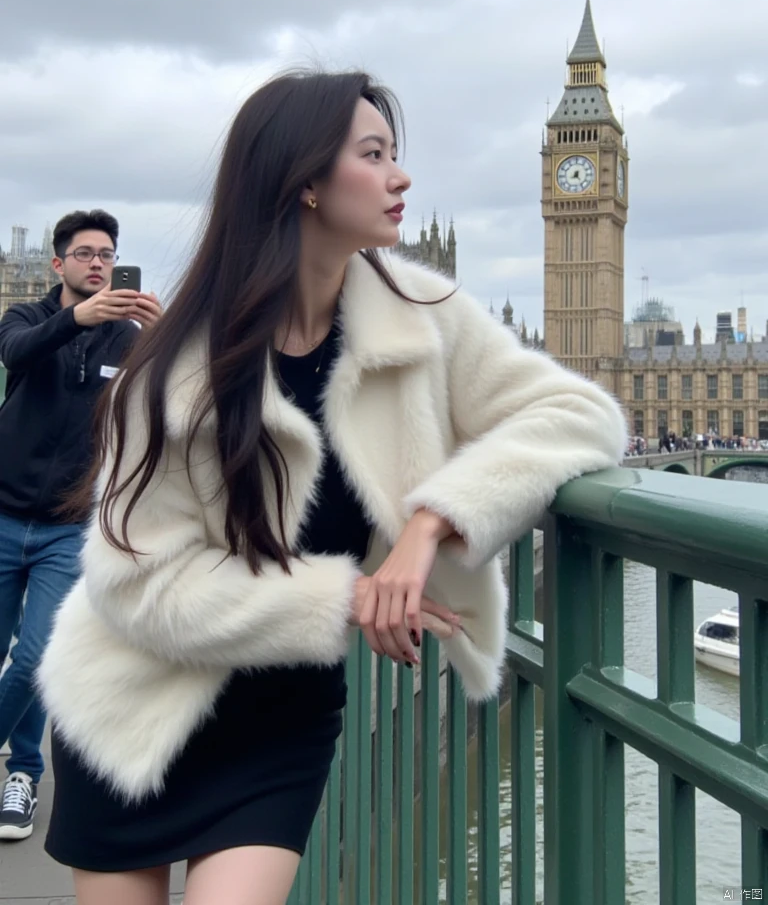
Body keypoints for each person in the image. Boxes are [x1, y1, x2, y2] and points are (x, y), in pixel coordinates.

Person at [39, 72, 626, 905]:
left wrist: (433, 523)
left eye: (397, 154)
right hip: (135, 706)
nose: (402, 177)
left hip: (282, 716)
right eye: (375, 154)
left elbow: (579, 413)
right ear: (305, 183)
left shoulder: (420, 314)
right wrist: (349, 599)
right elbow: (138, 586)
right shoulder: (172, 368)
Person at [0, 210, 162, 841]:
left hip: (70, 527)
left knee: (39, 656)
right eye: (87, 253)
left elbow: (179, 398)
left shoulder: (128, 340)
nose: (99, 263)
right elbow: (14, 351)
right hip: (5, 514)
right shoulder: (28, 319)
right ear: (57, 264)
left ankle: (23, 773)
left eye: (109, 254)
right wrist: (76, 318)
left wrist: (164, 332)